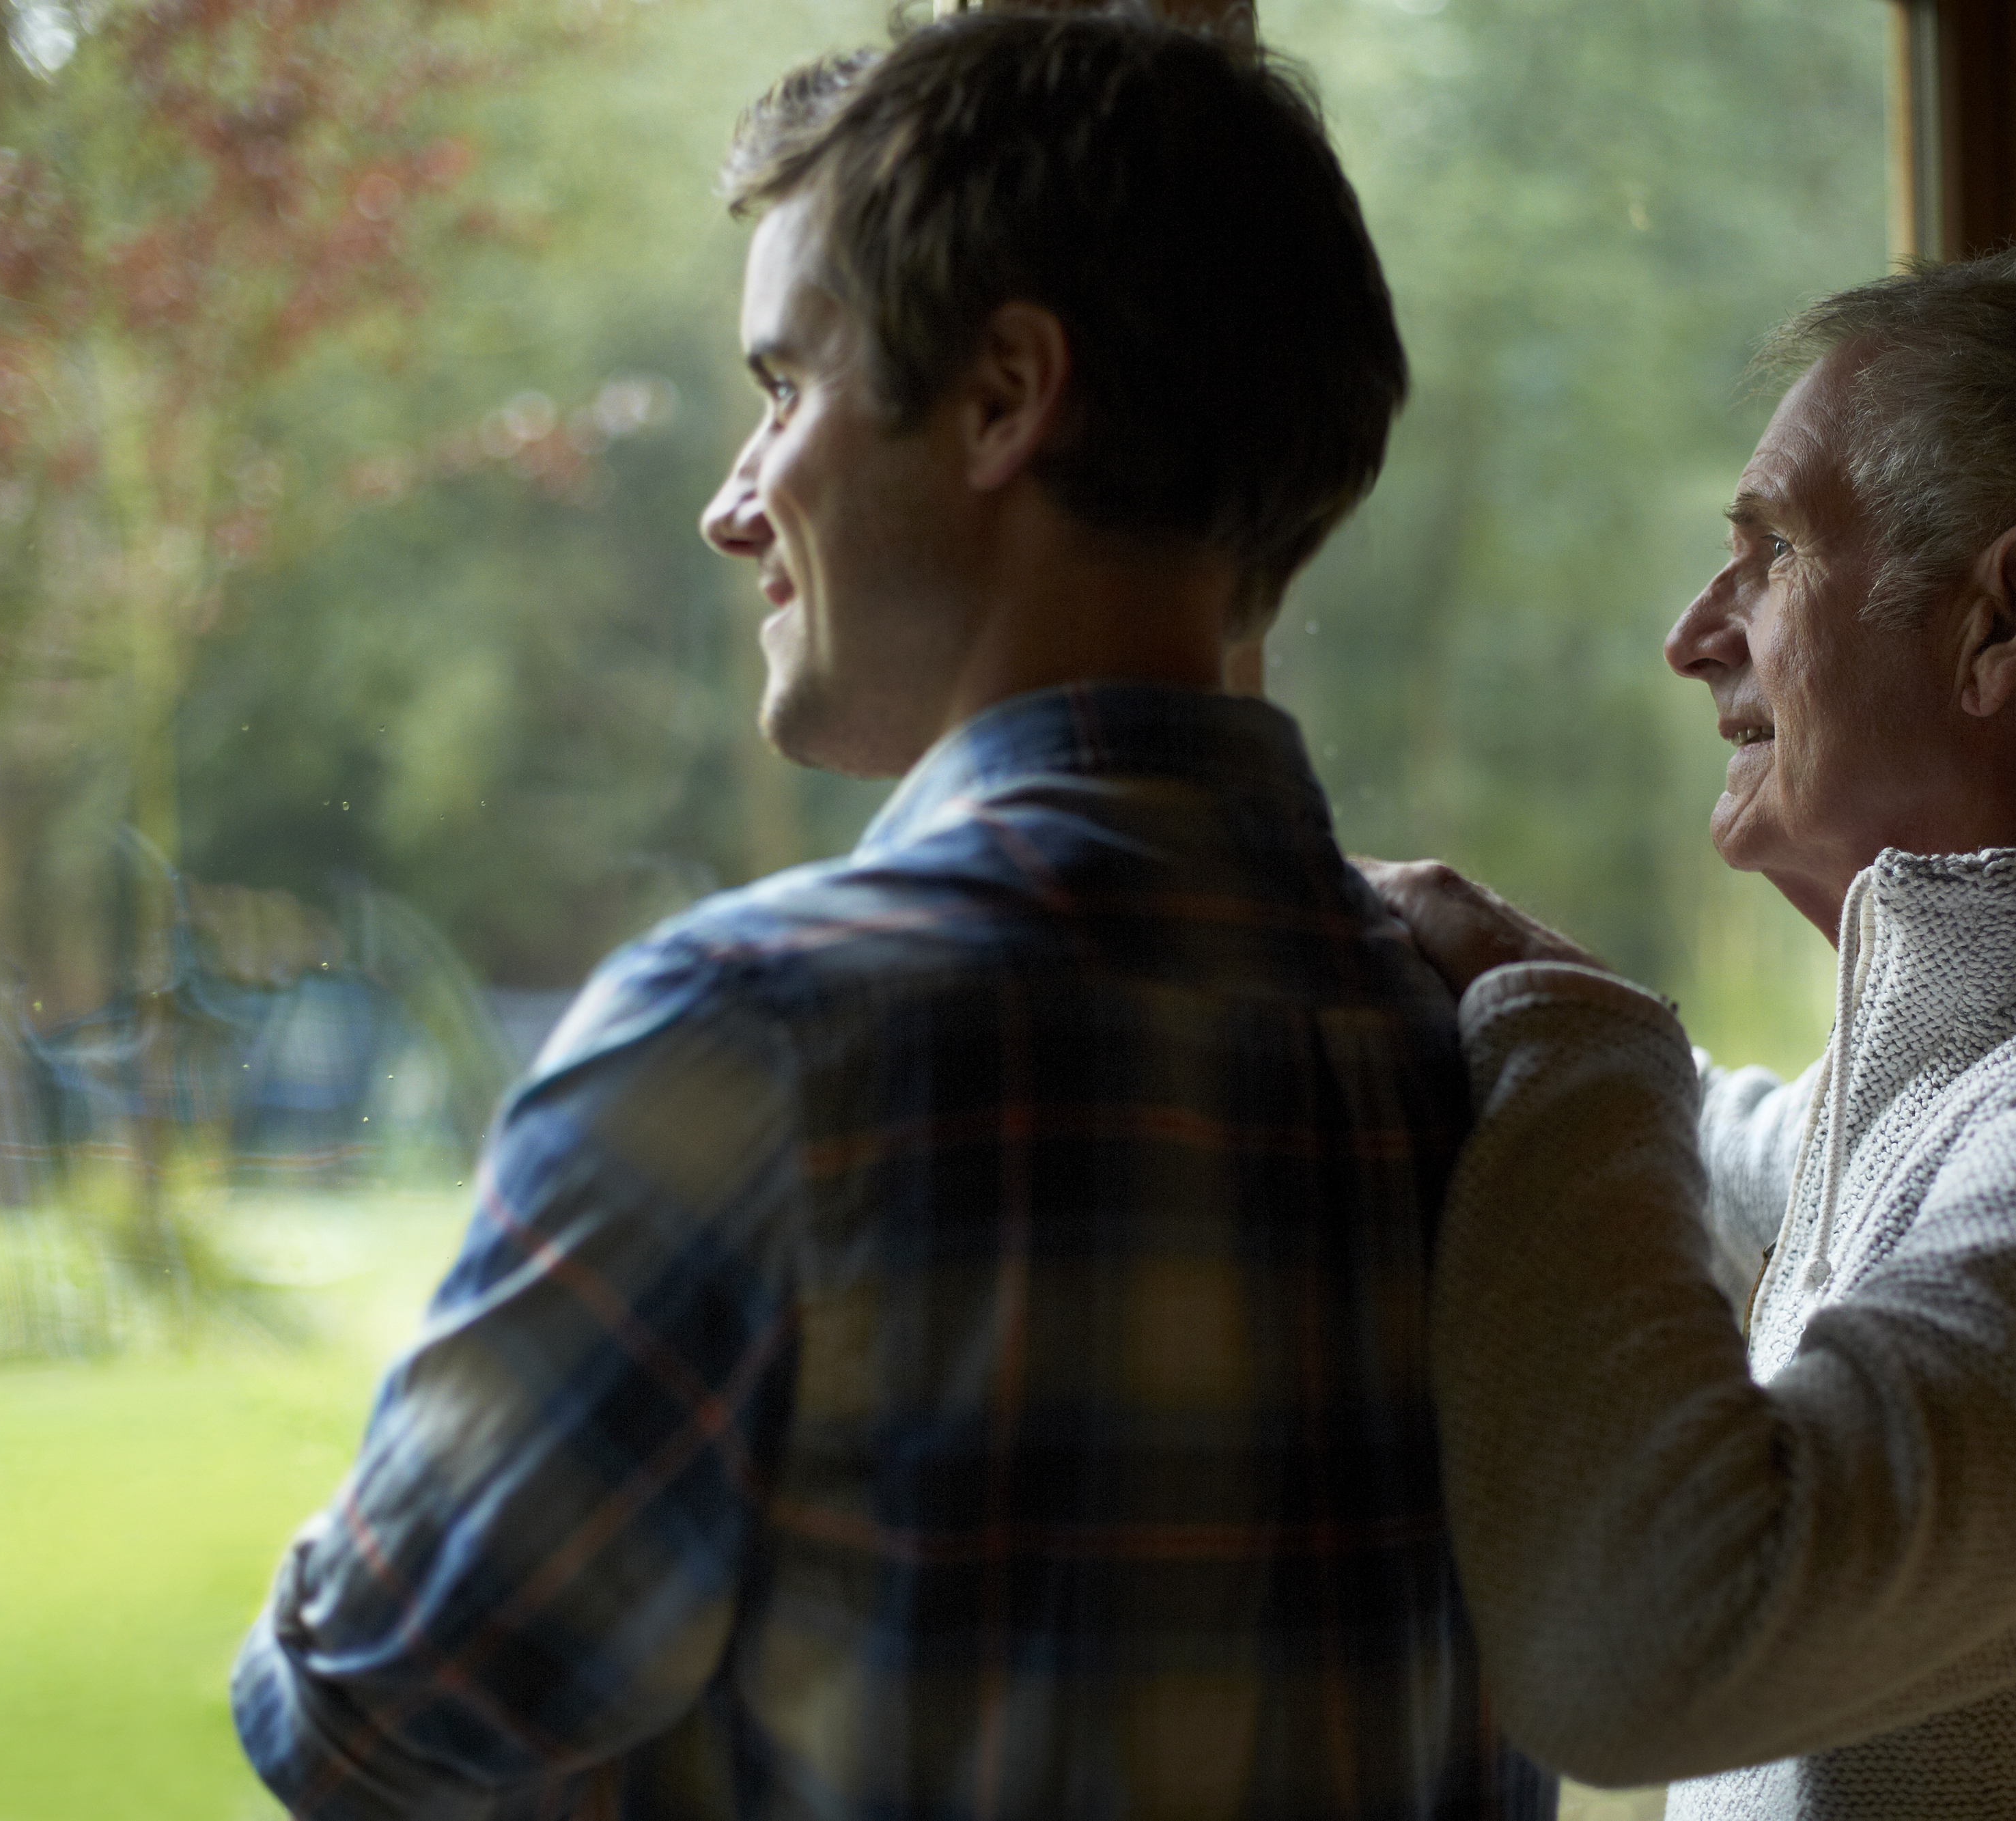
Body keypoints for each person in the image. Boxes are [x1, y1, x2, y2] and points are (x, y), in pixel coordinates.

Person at [232, 12, 1550, 1818]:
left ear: (1006, 392)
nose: (731, 500)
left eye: (784, 387)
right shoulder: (1488, 1052)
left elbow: (363, 1725)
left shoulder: (756, 1041)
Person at [1364, 248, 2016, 1819]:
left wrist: (1576, 1053)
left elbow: (1652, 1643)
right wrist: (1518, 987)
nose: (1689, 634)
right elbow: (1753, 1159)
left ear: (1999, 616)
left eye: (1769, 548)